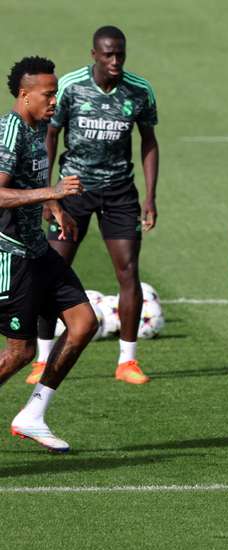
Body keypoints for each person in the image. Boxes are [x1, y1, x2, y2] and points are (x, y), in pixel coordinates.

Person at [29, 25, 159, 386]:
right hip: (74, 190)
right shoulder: (70, 87)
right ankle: (41, 358)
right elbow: (50, 136)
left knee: (128, 271)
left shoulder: (139, 90)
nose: (115, 60)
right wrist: (47, 191)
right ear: (94, 55)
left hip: (119, 192)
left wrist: (150, 196)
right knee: (51, 269)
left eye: (120, 53)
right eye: (108, 54)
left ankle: (127, 361)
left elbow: (149, 141)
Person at [0, 56, 99, 453]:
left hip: (39, 251)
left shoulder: (37, 127)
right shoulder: (8, 133)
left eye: (55, 92)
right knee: (20, 352)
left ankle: (33, 414)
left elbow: (30, 182)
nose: (55, 100)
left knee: (83, 322)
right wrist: (52, 193)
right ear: (24, 96)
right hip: (12, 256)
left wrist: (52, 209)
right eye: (48, 93)